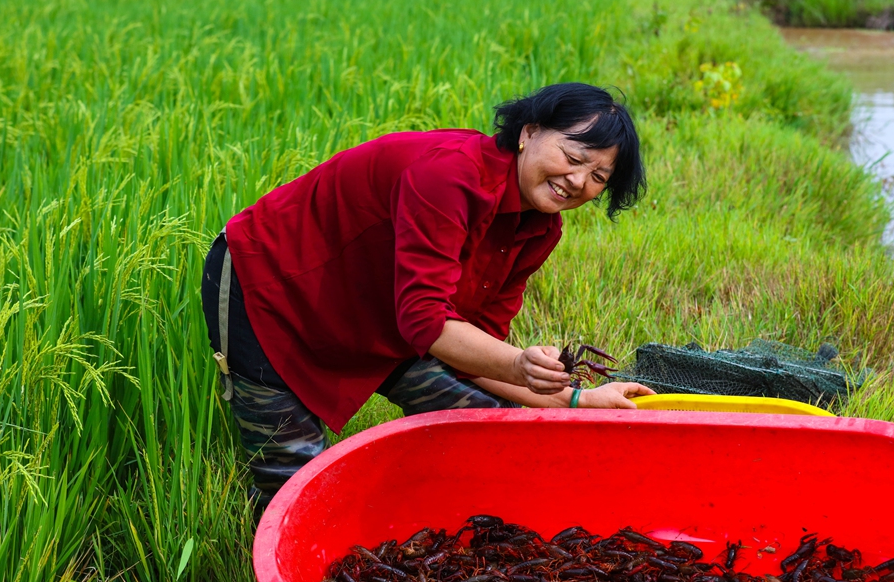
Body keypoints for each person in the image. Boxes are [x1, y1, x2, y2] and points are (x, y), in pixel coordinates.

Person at [201, 82, 655, 504]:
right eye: (574, 158)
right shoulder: (449, 175)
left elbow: (474, 348)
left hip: (384, 310)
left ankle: (428, 520)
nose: (579, 182)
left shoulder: (539, 228)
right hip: (273, 293)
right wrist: (518, 363)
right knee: (297, 485)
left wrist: (578, 400)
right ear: (528, 133)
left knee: (487, 427)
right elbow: (427, 321)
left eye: (599, 176)